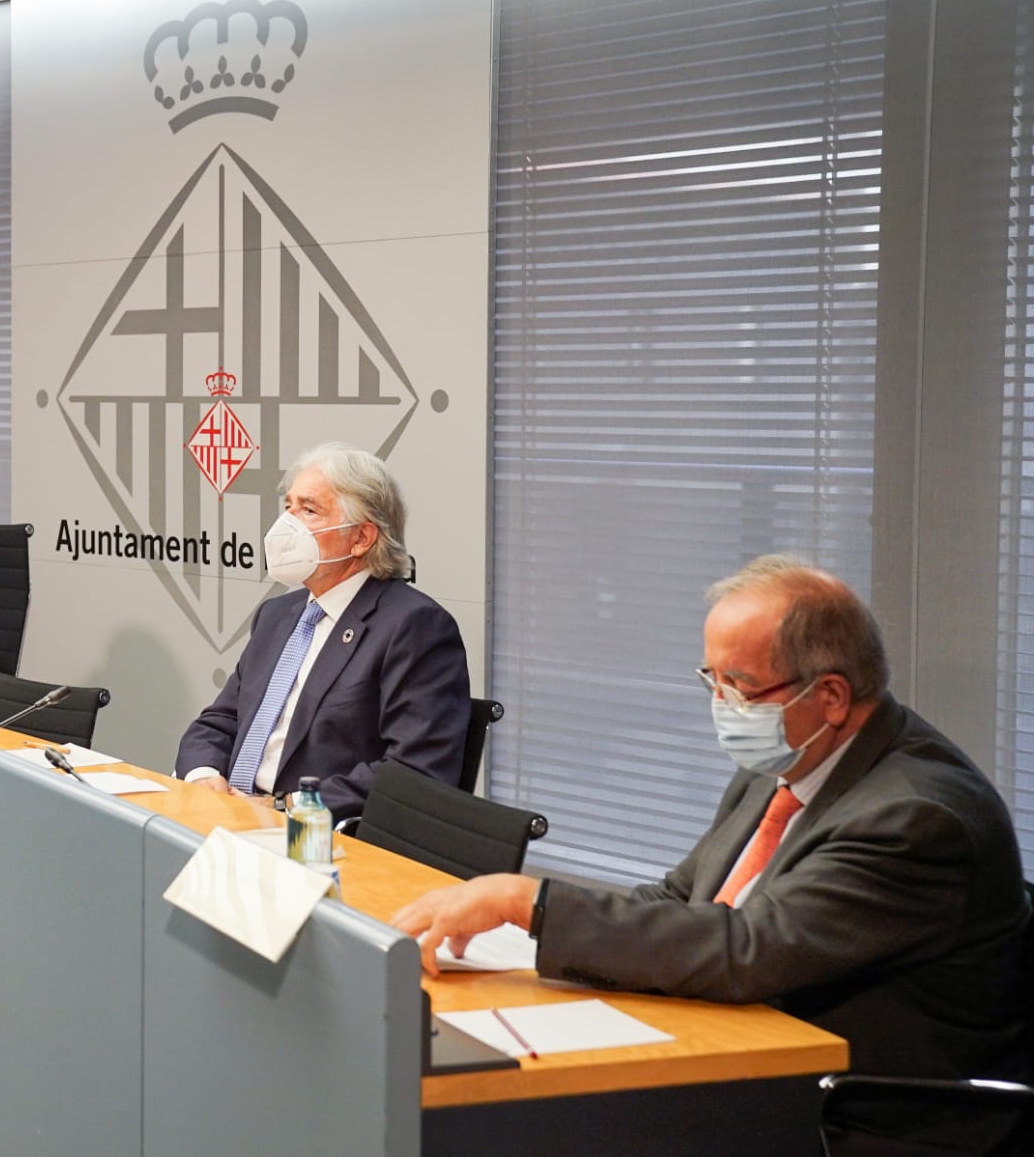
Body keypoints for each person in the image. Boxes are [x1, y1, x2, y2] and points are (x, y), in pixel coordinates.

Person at [392, 556, 1029, 1155]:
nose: (722, 706)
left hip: (867, 1117)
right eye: (712, 680)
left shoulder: (915, 818)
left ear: (831, 695)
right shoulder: (788, 758)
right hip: (749, 1053)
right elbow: (681, 898)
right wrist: (527, 931)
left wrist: (528, 902)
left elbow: (748, 949)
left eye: (740, 686)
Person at [173, 443, 470, 824]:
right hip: (231, 817)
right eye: (289, 507)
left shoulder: (414, 626)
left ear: (361, 538)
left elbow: (415, 771)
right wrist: (204, 777)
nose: (288, 525)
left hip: (316, 835)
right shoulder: (277, 615)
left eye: (309, 510)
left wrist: (287, 807)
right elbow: (218, 722)